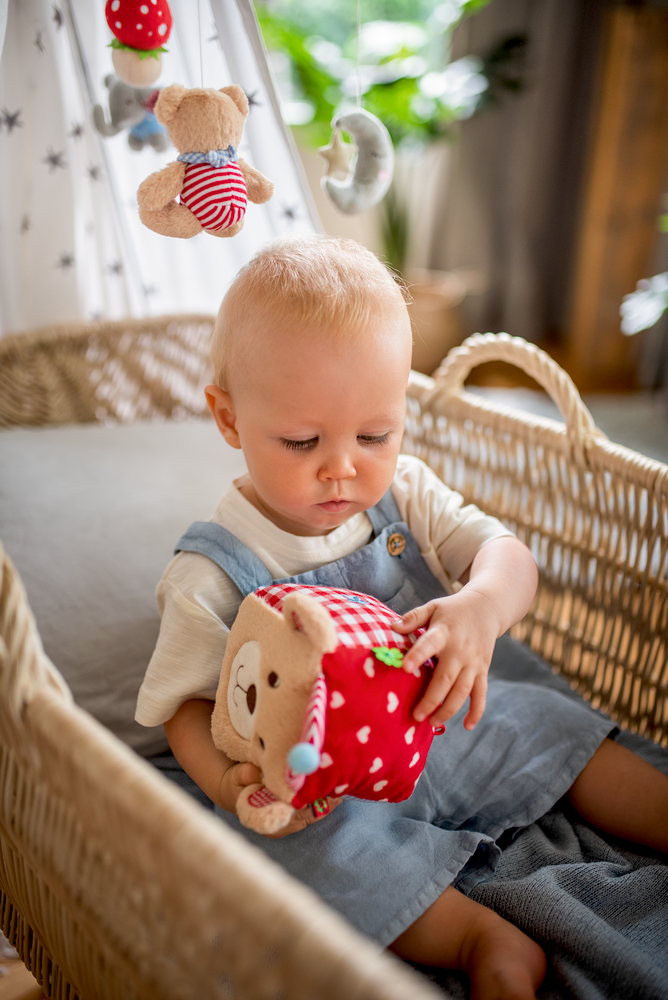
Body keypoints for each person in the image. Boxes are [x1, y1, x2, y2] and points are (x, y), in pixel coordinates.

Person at [136, 235, 668, 1000]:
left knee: (551, 725)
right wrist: (233, 787)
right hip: (321, 784)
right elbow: (184, 709)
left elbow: (508, 557)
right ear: (228, 417)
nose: (343, 466)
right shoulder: (214, 570)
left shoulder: (404, 495)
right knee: (303, 860)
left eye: (375, 435)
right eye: (301, 440)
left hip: (441, 722)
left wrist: (481, 608)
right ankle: (480, 936)